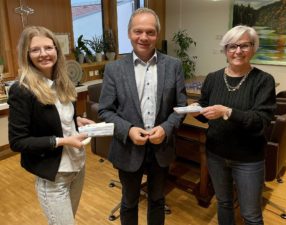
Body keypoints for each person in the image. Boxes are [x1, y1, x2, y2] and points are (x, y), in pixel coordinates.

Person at [98, 8, 186, 225]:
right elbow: (105, 110)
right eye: (138, 31)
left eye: (150, 32)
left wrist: (166, 128)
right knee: (129, 202)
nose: (144, 37)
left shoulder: (174, 66)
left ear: (157, 34)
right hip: (128, 148)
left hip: (161, 148)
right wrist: (127, 129)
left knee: (157, 200)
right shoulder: (114, 69)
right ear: (129, 33)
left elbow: (181, 107)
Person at [189, 25, 276, 225]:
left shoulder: (263, 81)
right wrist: (197, 111)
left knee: (251, 215)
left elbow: (261, 121)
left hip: (248, 159)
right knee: (224, 203)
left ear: (253, 48)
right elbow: (206, 112)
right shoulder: (213, 78)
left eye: (244, 46)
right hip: (216, 154)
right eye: (232, 46)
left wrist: (227, 112)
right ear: (225, 50)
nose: (238, 51)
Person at [8, 26, 94, 225]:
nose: (44, 54)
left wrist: (76, 121)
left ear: (57, 49)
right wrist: (63, 140)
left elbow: (57, 119)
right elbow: (18, 142)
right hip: (54, 177)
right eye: (35, 49)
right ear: (26, 54)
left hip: (78, 168)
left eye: (48, 47)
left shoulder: (63, 82)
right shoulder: (22, 90)